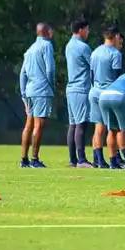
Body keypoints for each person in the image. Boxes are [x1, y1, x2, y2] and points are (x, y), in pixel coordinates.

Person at [19, 23, 56, 168]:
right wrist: (51, 85)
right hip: (42, 90)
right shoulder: (46, 46)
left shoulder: (30, 49)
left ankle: (24, 159)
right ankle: (34, 159)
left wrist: (23, 93)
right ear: (47, 32)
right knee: (39, 125)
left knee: (28, 125)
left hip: (29, 90)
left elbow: (23, 73)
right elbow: (50, 69)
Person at [89, 25, 123, 169]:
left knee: (98, 128)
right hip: (108, 94)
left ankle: (99, 160)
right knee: (113, 129)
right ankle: (113, 160)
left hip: (94, 92)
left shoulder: (95, 52)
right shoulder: (115, 54)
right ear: (115, 36)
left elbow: (91, 76)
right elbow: (116, 78)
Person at [65, 19, 93, 168]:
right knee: (81, 124)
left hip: (71, 89)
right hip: (81, 89)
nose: (88, 32)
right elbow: (94, 66)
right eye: (87, 29)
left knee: (73, 125)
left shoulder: (69, 45)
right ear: (81, 30)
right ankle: (82, 160)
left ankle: (73, 159)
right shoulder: (83, 47)